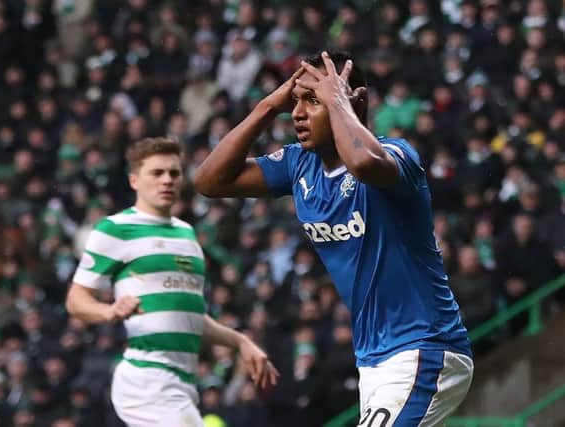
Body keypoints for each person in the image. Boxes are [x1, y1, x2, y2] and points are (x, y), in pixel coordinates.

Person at [194, 51, 474, 425]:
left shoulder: (395, 155)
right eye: (296, 101)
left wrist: (338, 102)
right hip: (373, 359)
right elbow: (208, 182)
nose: (297, 113)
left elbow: (362, 164)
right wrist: (266, 106)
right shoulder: (299, 164)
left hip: (424, 346)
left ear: (353, 100)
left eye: (313, 100)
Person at [65, 137, 278, 427]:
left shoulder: (187, 234)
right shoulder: (114, 229)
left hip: (184, 381)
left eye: (174, 173)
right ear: (134, 180)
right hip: (147, 378)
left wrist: (240, 341)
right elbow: (76, 301)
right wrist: (109, 311)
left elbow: (190, 317)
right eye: (157, 173)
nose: (167, 180)